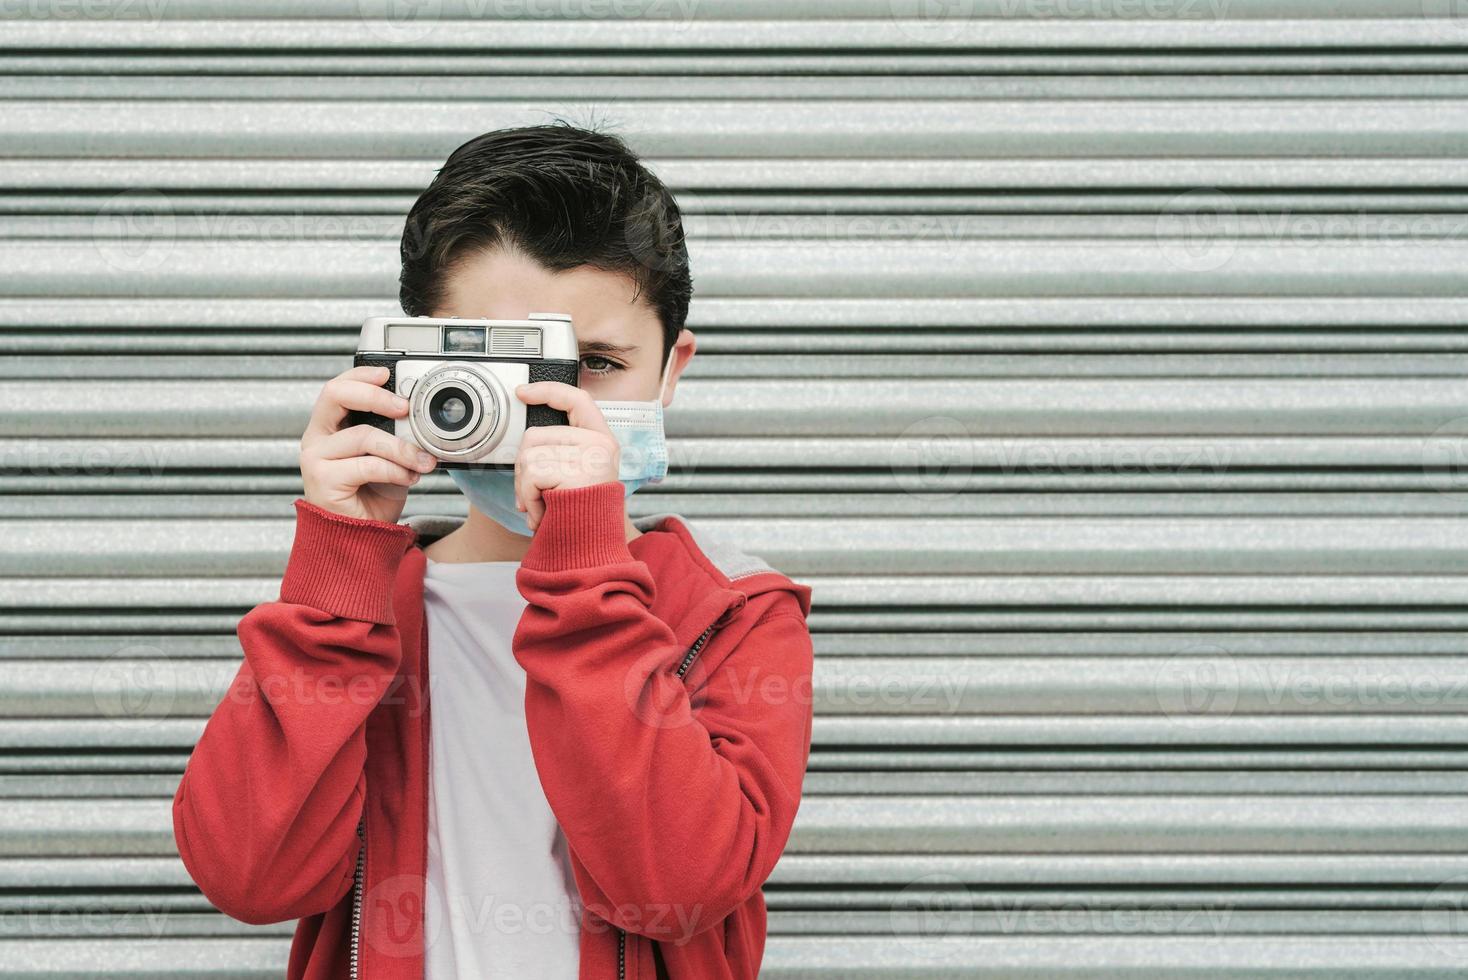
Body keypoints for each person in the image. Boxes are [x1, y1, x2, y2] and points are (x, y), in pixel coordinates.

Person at [171, 122, 816, 980]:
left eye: (593, 364)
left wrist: (586, 566)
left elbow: (675, 886)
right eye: (507, 366)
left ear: (670, 373)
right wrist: (338, 568)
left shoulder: (734, 614)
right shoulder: (362, 605)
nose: (548, 405)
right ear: (415, 365)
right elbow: (251, 877)